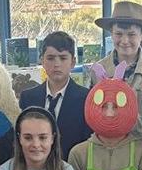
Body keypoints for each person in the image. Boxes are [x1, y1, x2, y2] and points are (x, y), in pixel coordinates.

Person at [91, 1, 142, 148]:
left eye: (131, 34)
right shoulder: (98, 70)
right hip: (111, 149)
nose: (124, 41)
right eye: (118, 34)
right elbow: (94, 113)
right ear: (111, 33)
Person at [19, 31, 92, 159]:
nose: (57, 64)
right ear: (42, 60)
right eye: (50, 58)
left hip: (71, 166)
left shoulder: (86, 98)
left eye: (63, 58)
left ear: (73, 62)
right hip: (35, 166)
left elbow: (87, 143)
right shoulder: (28, 98)